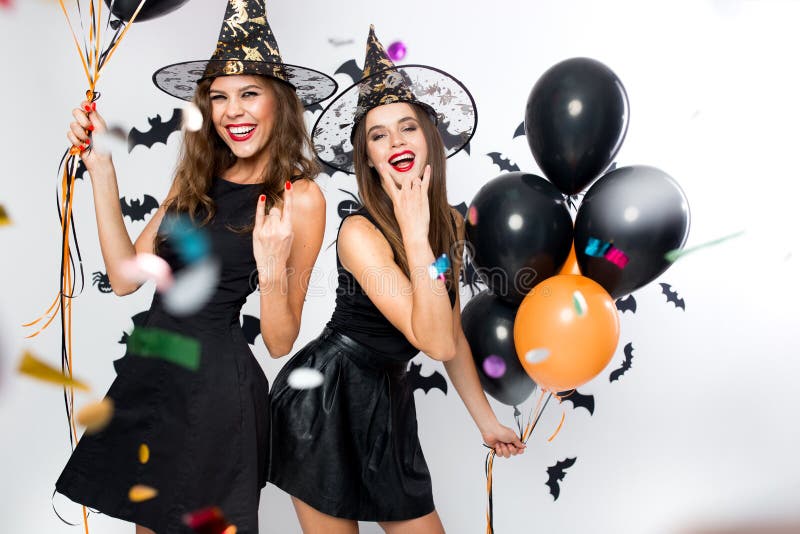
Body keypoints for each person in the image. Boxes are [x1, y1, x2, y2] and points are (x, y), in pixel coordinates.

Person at [55, 2, 337, 533]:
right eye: (220, 97)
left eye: (250, 93)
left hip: (215, 392)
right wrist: (102, 170)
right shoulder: (196, 179)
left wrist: (272, 268)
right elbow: (123, 276)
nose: (234, 110)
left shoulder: (299, 198)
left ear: (279, 103)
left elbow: (279, 340)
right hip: (154, 369)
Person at [268, 26, 525, 534]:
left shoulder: (449, 224)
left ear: (429, 138)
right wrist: (411, 230)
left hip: (389, 402)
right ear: (366, 156)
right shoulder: (358, 233)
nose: (395, 142)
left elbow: (448, 335)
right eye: (378, 136)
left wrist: (486, 421)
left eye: (407, 128)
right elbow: (425, 337)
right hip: (324, 403)